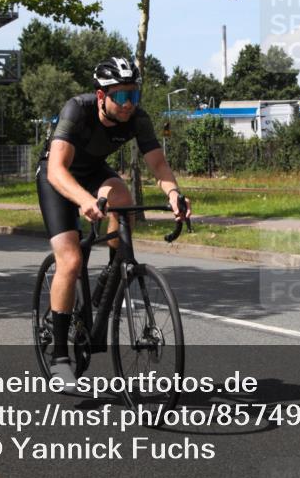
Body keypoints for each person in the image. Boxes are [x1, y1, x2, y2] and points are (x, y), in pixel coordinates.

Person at [36, 57, 191, 386]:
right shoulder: (77, 109)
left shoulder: (137, 119)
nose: (128, 104)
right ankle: (60, 356)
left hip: (93, 174)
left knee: (123, 199)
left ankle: (114, 267)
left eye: (133, 96)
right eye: (120, 96)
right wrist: (83, 200)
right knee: (71, 259)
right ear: (101, 95)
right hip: (58, 178)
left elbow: (159, 165)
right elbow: (57, 169)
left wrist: (174, 194)